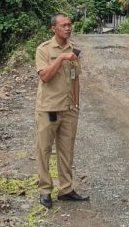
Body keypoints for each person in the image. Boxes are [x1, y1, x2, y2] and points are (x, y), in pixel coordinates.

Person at [35, 13, 90, 208]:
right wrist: (61, 58)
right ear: (54, 29)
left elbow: (76, 78)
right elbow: (45, 77)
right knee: (45, 150)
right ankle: (45, 191)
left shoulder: (73, 50)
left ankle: (66, 189)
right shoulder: (44, 50)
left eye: (70, 25)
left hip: (68, 109)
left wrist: (76, 104)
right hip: (49, 109)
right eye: (64, 25)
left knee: (66, 151)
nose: (68, 28)